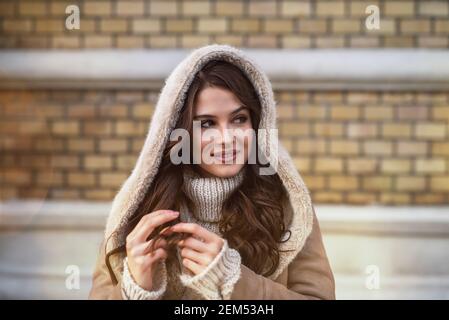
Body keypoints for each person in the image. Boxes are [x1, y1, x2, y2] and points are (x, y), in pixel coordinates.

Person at [88, 44, 335, 300]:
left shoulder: (287, 205)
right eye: (207, 124)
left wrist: (233, 281)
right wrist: (135, 289)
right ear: (178, 131)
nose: (227, 138)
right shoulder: (140, 209)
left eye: (239, 119)